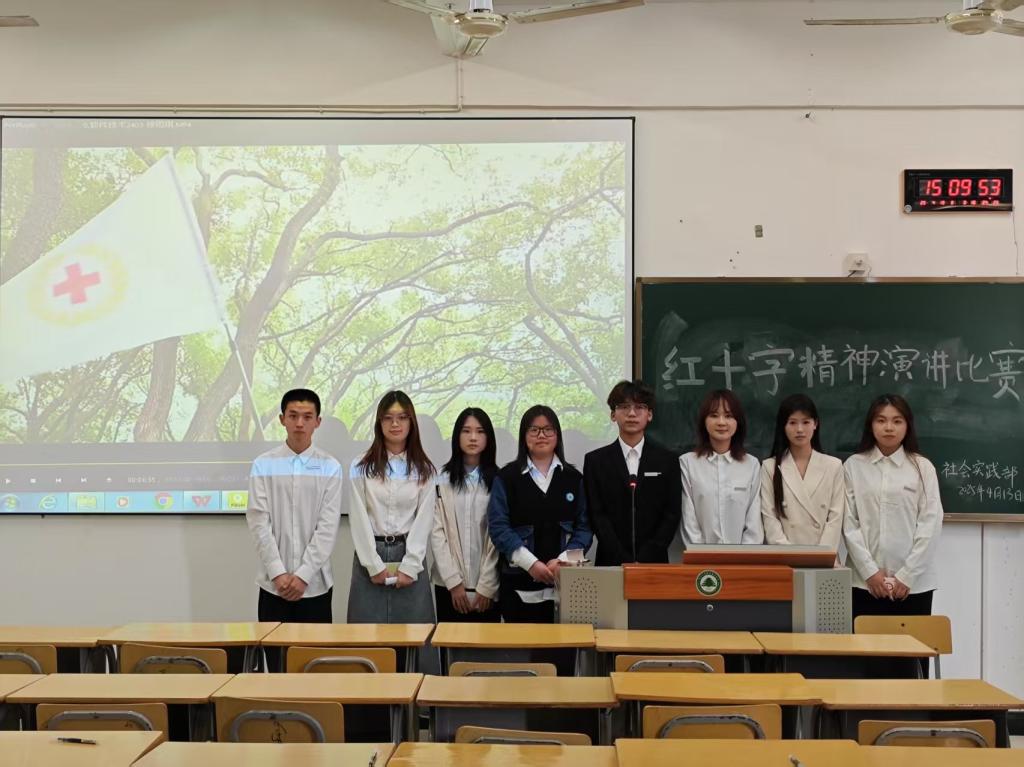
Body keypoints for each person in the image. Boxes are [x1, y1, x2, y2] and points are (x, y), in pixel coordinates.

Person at [246, 388, 342, 624]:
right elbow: (259, 522)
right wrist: (277, 572)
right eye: (293, 416)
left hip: (315, 585)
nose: (300, 423)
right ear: (282, 419)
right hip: (273, 585)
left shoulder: (330, 466)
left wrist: (303, 575)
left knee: (315, 649)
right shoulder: (263, 464)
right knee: (273, 648)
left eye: (307, 417)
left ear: (318, 422)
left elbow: (328, 527)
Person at [488, 405, 592, 623]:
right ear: (524, 436)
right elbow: (498, 527)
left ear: (557, 435)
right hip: (518, 585)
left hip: (566, 586)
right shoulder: (506, 477)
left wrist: (563, 561)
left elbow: (585, 529)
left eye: (548, 430)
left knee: (565, 644)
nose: (541, 435)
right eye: (534, 430)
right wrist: (531, 564)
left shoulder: (574, 478)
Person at [844, 394, 942, 621]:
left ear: (908, 426)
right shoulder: (853, 466)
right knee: (864, 644)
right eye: (881, 420)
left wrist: (907, 575)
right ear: (871, 425)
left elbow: (930, 524)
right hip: (864, 583)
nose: (889, 427)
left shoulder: (923, 467)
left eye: (897, 421)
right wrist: (870, 572)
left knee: (913, 645)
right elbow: (849, 523)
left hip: (913, 586)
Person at [347, 391, 436, 628]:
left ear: (411, 422)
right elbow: (358, 518)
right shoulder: (360, 466)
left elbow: (423, 522)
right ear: (379, 423)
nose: (395, 424)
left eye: (402, 417)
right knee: (366, 637)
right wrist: (372, 564)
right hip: (370, 556)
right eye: (388, 417)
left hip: (409, 555)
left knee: (415, 637)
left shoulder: (425, 469)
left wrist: (410, 565)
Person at [583, 379, 681, 565]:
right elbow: (597, 514)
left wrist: (648, 555)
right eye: (624, 407)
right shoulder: (596, 461)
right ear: (613, 415)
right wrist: (621, 557)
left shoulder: (667, 460)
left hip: (654, 562)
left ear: (649, 414)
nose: (632, 413)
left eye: (639, 407)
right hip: (611, 562)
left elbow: (672, 513)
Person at [430, 407, 501, 622]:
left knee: (486, 643)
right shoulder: (441, 479)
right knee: (448, 642)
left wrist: (487, 585)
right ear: (456, 436)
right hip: (448, 586)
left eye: (480, 431)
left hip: (487, 588)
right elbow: (437, 532)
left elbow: (499, 536)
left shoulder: (500, 480)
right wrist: (453, 582)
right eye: (466, 431)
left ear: (488, 437)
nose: (473, 437)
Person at [760, 393, 844, 550]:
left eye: (806, 422)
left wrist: (821, 555)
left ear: (815, 424)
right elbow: (770, 518)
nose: (799, 429)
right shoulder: (769, 467)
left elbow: (835, 518)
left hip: (824, 557)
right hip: (784, 557)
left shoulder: (834, 466)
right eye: (792, 423)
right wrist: (792, 555)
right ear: (783, 426)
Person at [681, 389, 763, 545]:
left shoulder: (751, 465)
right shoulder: (688, 463)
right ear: (704, 421)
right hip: (700, 558)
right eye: (714, 415)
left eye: (728, 416)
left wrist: (743, 556)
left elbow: (754, 524)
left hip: (743, 557)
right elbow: (688, 519)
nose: (721, 422)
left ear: (738, 422)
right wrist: (702, 555)